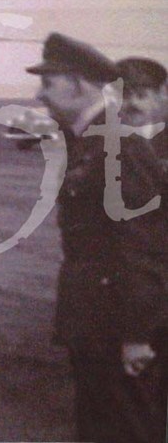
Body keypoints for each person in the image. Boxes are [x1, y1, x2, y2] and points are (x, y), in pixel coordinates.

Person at [28, 32, 162, 443]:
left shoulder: (119, 146)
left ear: (79, 84)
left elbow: (143, 247)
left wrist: (137, 335)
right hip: (95, 325)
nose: (40, 95)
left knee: (128, 430)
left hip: (117, 329)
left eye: (48, 84)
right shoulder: (90, 141)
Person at [115, 57, 167, 443]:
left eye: (142, 94)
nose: (133, 103)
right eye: (125, 94)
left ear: (162, 96)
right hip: (134, 297)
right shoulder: (109, 150)